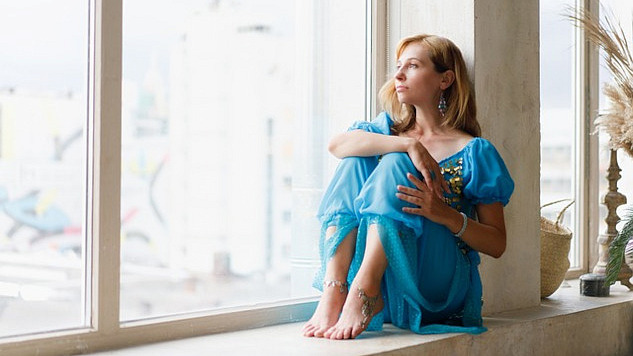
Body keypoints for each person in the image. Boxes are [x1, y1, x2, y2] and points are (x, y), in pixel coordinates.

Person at [301, 34, 514, 340]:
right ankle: (335, 287)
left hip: (436, 282)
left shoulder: (474, 151)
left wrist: (443, 214)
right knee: (355, 159)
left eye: (412, 66)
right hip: (390, 289)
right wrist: (408, 143)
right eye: (398, 66)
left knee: (394, 161)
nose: (399, 75)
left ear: (445, 79)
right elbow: (337, 145)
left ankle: (364, 289)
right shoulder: (388, 131)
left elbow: (497, 244)